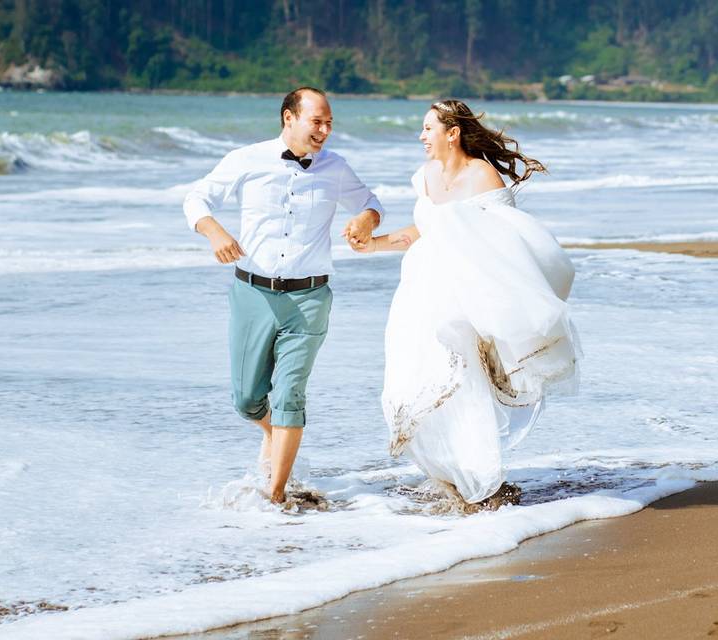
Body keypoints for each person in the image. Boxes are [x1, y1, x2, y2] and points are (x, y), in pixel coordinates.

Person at [349, 99, 579, 507]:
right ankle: (449, 472)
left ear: (452, 133)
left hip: (465, 292)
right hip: (420, 288)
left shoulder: (483, 176)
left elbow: (506, 240)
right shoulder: (424, 177)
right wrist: (372, 246)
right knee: (414, 375)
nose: (421, 136)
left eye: (427, 128)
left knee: (464, 378)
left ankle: (481, 477)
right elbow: (420, 230)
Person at [183, 87, 384, 504]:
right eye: (317, 121)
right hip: (251, 293)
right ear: (288, 118)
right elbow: (196, 197)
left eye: (330, 123)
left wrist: (365, 218)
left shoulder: (335, 167)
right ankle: (278, 439)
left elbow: (369, 201)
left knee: (290, 393)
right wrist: (214, 231)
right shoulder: (246, 160)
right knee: (246, 399)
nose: (326, 130)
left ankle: (275, 496)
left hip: (309, 300)